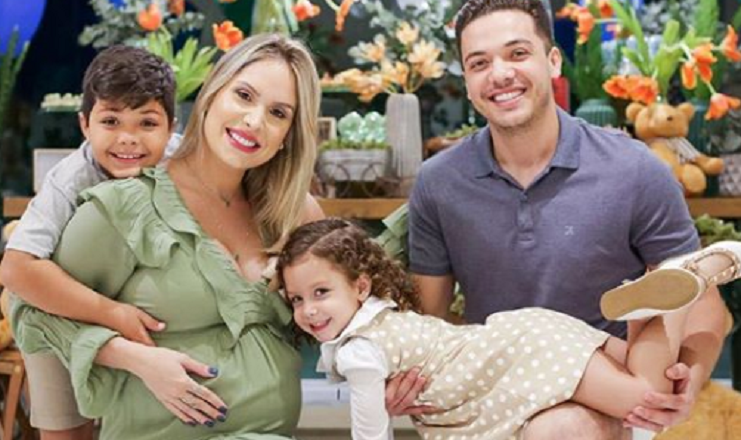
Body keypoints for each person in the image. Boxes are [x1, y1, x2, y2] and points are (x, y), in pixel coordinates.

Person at [393, 0, 730, 437]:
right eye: (479, 63)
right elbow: (428, 320)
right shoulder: (440, 182)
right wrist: (399, 376)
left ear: (552, 61)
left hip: (598, 395)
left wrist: (689, 383)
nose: (500, 74)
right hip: (494, 386)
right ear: (467, 83)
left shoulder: (634, 170)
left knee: (559, 428)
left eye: (518, 53)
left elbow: (705, 306)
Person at [9, 33, 324, 440]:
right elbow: (28, 300)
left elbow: (356, 307)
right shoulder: (116, 199)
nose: (254, 120)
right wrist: (129, 354)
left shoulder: (294, 213)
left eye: (278, 113)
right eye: (244, 95)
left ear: (289, 135)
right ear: (212, 93)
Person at [277, 218, 741, 440]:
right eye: (296, 299)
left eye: (321, 293)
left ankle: (669, 297)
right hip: (524, 337)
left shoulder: (359, 352)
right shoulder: (381, 313)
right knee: (648, 384)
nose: (309, 311)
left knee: (646, 402)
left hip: (517, 361)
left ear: (361, 287)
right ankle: (655, 301)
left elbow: (369, 434)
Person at [0, 45, 180, 440]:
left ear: (171, 127)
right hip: (61, 311)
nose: (128, 139)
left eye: (147, 123)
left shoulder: (185, 164)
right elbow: (15, 268)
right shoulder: (70, 179)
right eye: (110, 121)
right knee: (66, 428)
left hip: (147, 307)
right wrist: (111, 313)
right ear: (84, 124)